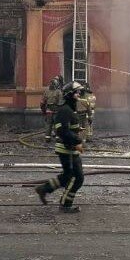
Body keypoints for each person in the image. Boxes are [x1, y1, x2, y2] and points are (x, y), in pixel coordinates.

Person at [35, 81, 85, 213]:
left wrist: (77, 130)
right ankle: (65, 205)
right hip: (66, 149)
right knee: (77, 177)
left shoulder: (69, 109)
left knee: (68, 176)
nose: (79, 94)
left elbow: (68, 128)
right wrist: (77, 140)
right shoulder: (64, 110)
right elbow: (62, 131)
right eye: (77, 92)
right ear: (70, 94)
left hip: (70, 148)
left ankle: (44, 189)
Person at [40, 77, 63, 142]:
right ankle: (57, 137)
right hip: (56, 111)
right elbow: (61, 102)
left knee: (48, 124)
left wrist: (43, 111)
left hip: (48, 110)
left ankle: (47, 138)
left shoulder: (46, 91)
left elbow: (42, 102)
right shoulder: (58, 92)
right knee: (57, 124)